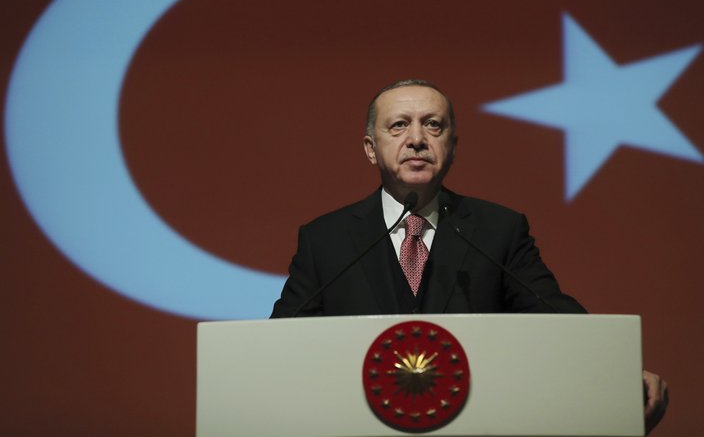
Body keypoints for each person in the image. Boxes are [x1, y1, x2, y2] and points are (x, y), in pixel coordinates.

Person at [270, 79, 668, 433]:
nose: (417, 139)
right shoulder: (326, 239)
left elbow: (554, 315)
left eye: (433, 124)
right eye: (398, 125)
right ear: (371, 149)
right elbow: (280, 341)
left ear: (453, 147)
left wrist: (617, 374)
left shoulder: (498, 230)